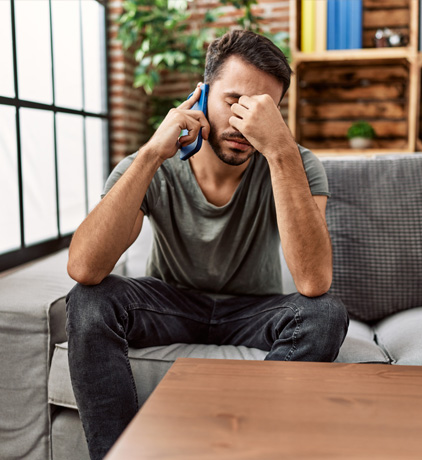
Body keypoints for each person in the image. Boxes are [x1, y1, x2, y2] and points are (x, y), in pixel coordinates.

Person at [66, 29, 349, 460]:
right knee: (87, 301)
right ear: (200, 96)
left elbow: (313, 281)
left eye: (260, 109)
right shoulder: (154, 162)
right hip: (170, 304)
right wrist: (149, 156)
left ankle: (242, 449)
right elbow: (85, 268)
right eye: (233, 101)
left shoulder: (293, 162)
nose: (242, 123)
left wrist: (280, 151)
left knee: (325, 313)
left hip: (253, 310)